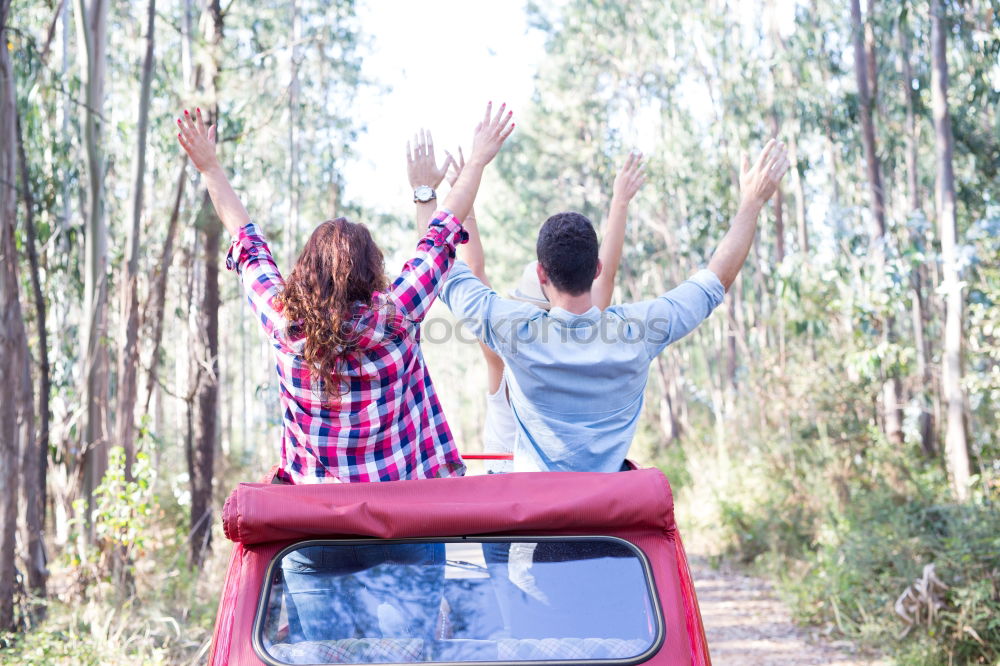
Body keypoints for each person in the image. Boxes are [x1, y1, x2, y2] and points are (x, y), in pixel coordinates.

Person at [176, 101, 514, 644]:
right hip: (407, 522)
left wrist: (210, 167)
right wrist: (470, 165)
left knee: (323, 656)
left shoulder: (285, 323)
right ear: (373, 273)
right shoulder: (397, 316)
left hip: (316, 530)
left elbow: (246, 240)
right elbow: (440, 238)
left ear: (305, 273)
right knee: (410, 656)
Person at [439, 139, 790, 473]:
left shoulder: (515, 337)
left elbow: (440, 266)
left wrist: (436, 193)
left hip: (534, 522)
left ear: (542, 274)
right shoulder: (634, 333)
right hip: (606, 524)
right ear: (595, 268)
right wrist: (752, 203)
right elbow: (715, 280)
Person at [406, 131, 646, 473]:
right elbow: (604, 277)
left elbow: (472, 269)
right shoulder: (583, 342)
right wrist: (620, 202)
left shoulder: (504, 350)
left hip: (508, 489)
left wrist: (463, 203)